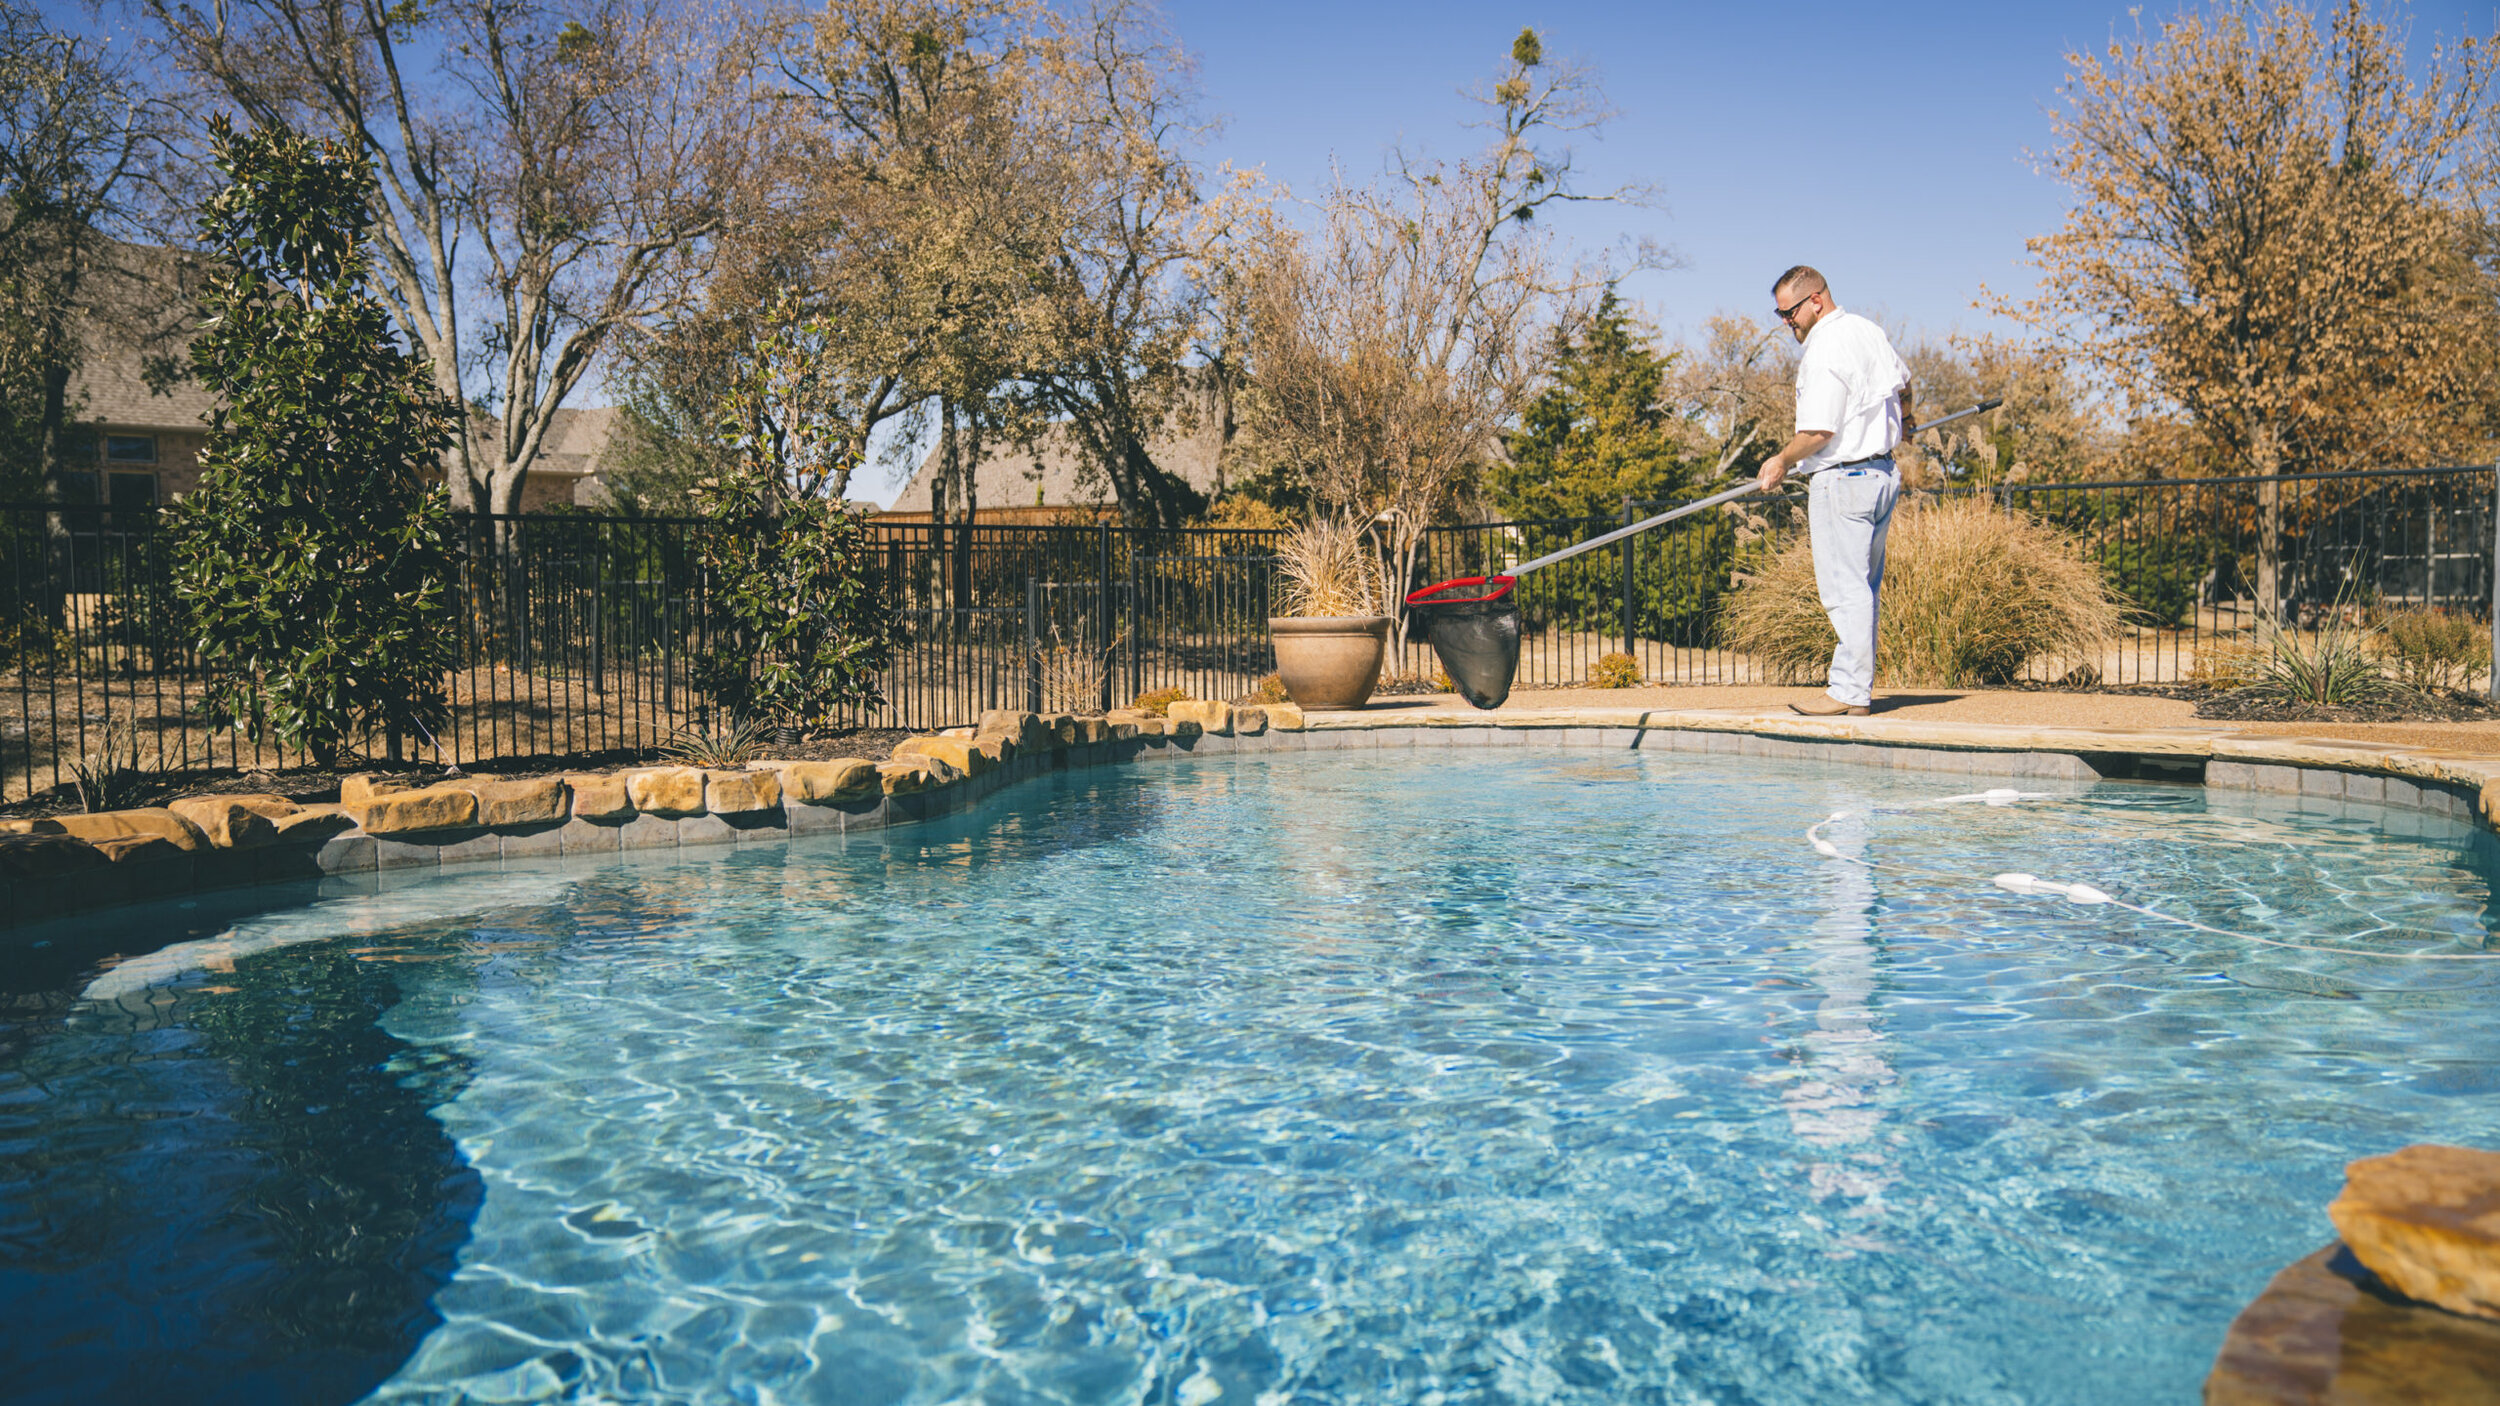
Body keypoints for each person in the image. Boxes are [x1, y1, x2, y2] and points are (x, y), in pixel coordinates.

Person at [1753, 265, 1913, 717]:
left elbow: (1819, 430)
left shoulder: (1824, 349)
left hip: (1844, 481)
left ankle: (1848, 692)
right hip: (1881, 476)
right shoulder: (1868, 331)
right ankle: (1854, 692)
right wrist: (1909, 423)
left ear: (1816, 300)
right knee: (1863, 588)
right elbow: (1906, 380)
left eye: (1790, 313)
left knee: (1845, 591)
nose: (1786, 322)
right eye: (1780, 314)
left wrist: (1782, 460)